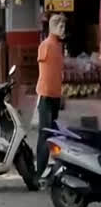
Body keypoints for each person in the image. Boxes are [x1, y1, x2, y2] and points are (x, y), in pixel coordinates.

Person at [36, 13, 66, 177]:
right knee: (45, 134)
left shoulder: (57, 46)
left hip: (54, 96)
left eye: (64, 26)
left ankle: (47, 170)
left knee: (52, 134)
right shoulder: (46, 45)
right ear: (53, 27)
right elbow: (45, 74)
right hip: (46, 96)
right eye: (60, 26)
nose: (63, 29)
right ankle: (38, 172)